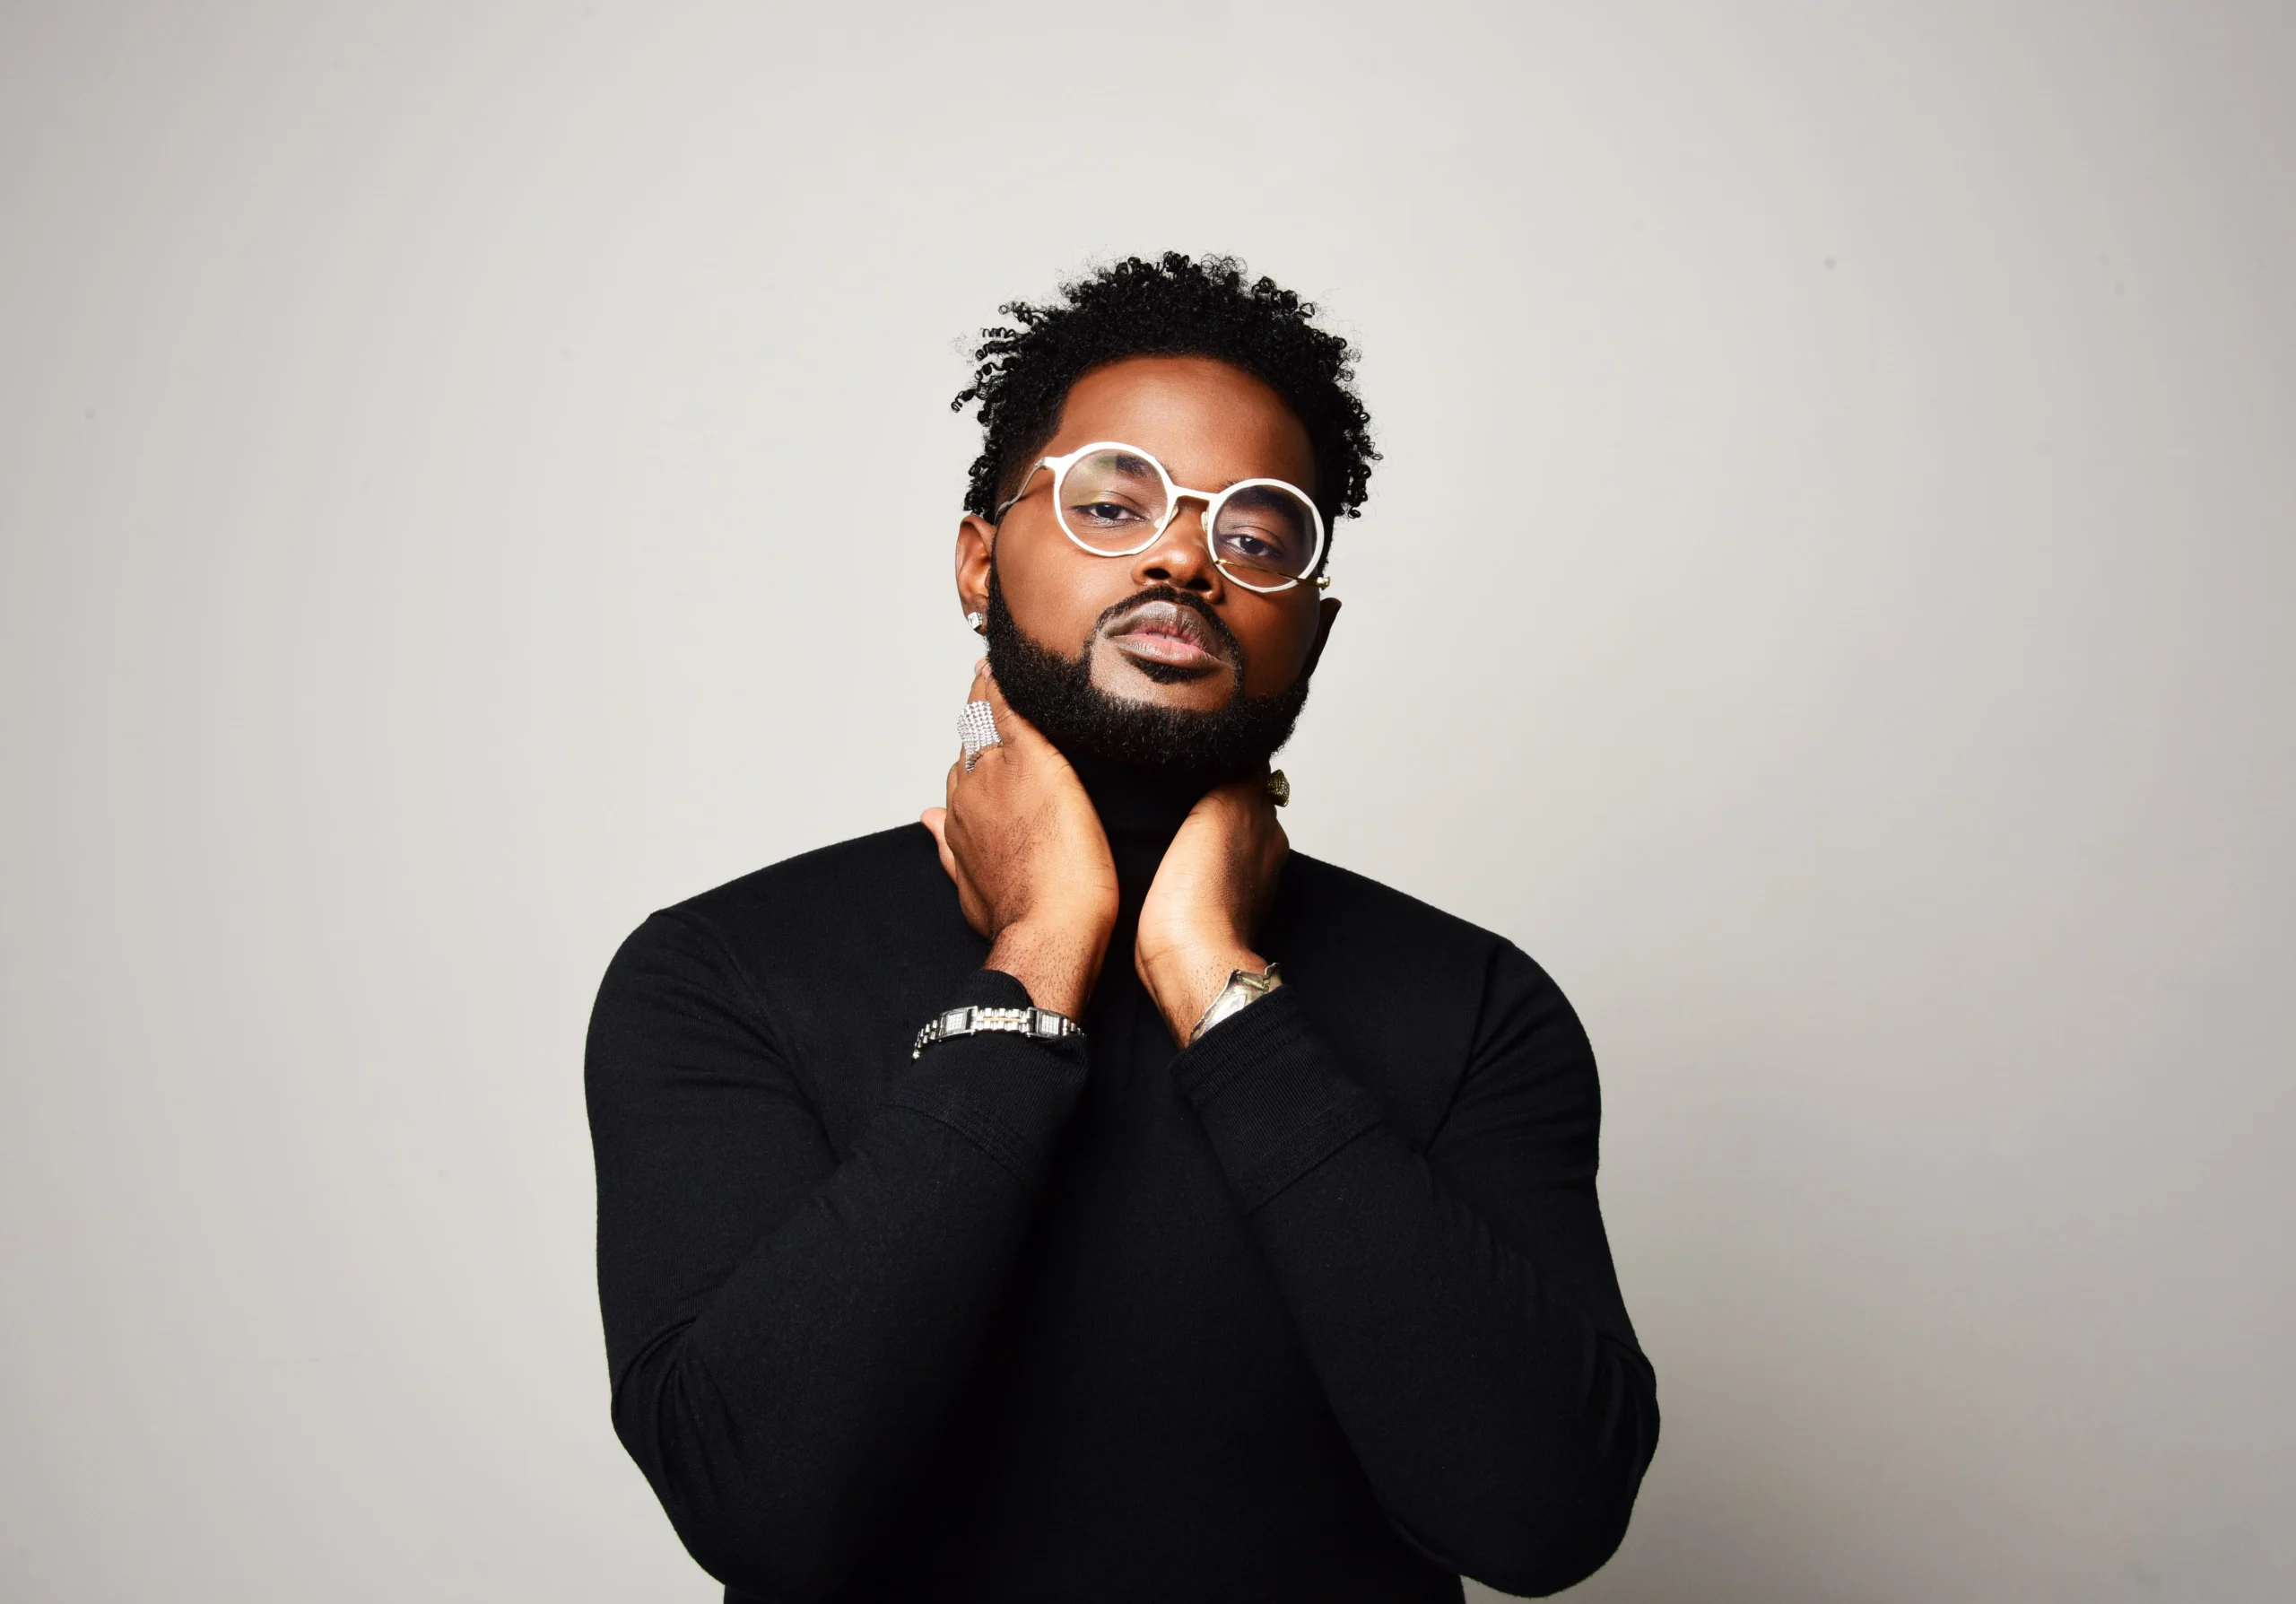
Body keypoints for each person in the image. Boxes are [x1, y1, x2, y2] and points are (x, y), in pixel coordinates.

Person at [585, 254, 1659, 1603]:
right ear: (979, 560)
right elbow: (759, 1506)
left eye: (1257, 538)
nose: (1179, 557)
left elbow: (1541, 1518)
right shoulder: (722, 974)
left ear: (1309, 634)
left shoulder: (1474, 1004)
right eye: (1111, 501)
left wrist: (1220, 993)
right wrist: (1040, 948)